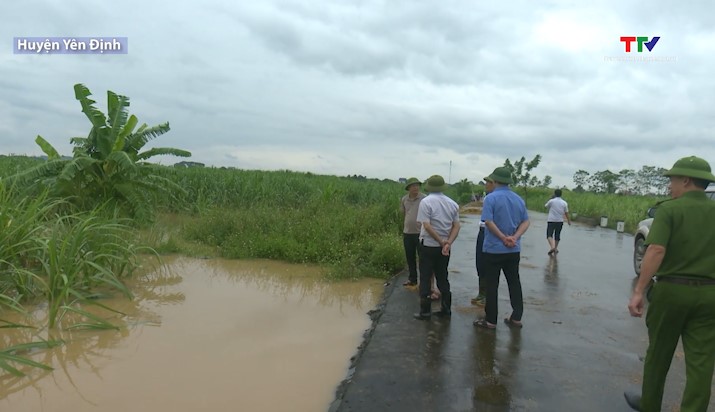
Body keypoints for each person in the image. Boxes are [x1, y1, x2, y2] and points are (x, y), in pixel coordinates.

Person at [625, 156, 715, 412]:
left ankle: (650, 404)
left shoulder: (670, 210)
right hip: (710, 295)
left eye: (672, 180)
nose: (669, 186)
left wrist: (639, 291)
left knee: (659, 355)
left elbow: (655, 250)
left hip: (672, 291)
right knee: (702, 362)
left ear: (686, 180)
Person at [473, 167, 530, 330]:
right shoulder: (518, 199)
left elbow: (488, 222)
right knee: (514, 282)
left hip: (494, 249)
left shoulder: (491, 198)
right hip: (513, 249)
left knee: (492, 284)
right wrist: (514, 237)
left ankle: (491, 320)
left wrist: (503, 237)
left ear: (495, 181)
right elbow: (526, 221)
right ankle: (516, 317)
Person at [413, 175, 461, 320]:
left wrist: (440, 241)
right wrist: (448, 243)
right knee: (442, 276)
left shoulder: (426, 202)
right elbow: (457, 225)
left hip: (428, 245)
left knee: (426, 276)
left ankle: (425, 311)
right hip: (444, 248)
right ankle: (446, 309)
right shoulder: (452, 204)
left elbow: (426, 225)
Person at [471, 176, 495, 306]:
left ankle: (487, 296)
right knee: (480, 263)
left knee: (487, 264)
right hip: (483, 231)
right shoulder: (488, 198)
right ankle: (482, 293)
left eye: (488, 183)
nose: (486, 185)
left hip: (489, 232)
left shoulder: (493, 198)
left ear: (494, 184)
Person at [400, 177, 426, 287]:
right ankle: (412, 279)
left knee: (423, 258)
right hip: (408, 232)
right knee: (410, 257)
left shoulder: (424, 199)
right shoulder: (404, 199)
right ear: (409, 188)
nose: (416, 187)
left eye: (417, 185)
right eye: (413, 185)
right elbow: (404, 213)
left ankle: (424, 281)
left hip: (421, 233)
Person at [544, 189, 571, 256]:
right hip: (560, 221)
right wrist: (568, 221)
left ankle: (552, 247)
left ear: (554, 194)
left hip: (551, 220)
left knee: (549, 235)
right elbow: (566, 213)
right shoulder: (564, 203)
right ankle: (555, 248)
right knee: (557, 235)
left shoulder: (552, 201)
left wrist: (551, 198)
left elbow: (546, 206)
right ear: (561, 194)